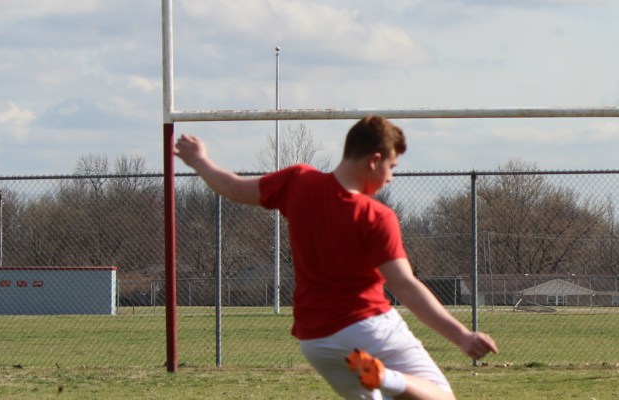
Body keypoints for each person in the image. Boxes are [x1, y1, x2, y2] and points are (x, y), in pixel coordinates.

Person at [173, 115, 498, 400]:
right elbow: (405, 286)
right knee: (440, 396)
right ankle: (387, 377)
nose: (391, 178)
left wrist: (199, 160)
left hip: (316, 341)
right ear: (374, 160)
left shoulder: (297, 182)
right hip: (367, 328)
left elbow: (234, 188)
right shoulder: (375, 216)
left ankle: (382, 378)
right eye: (392, 167)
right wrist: (462, 336)